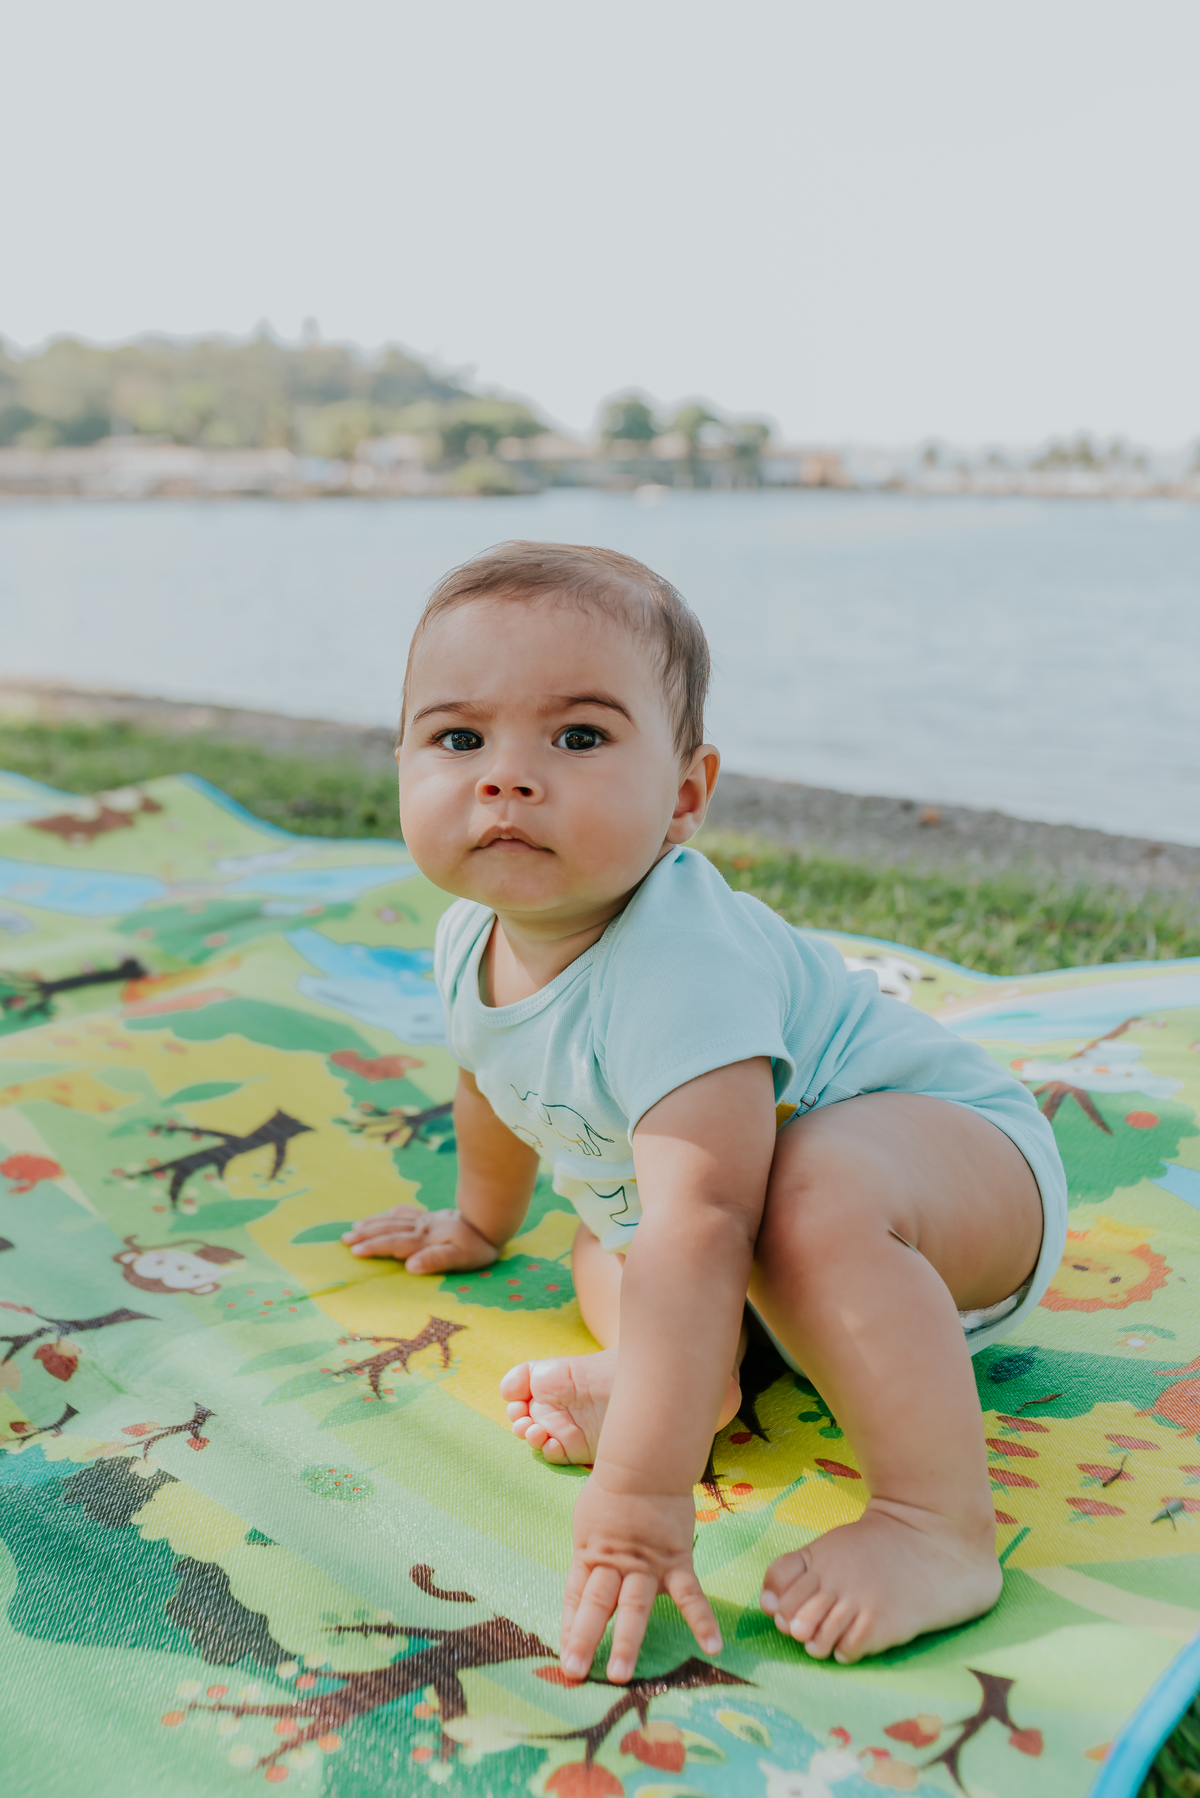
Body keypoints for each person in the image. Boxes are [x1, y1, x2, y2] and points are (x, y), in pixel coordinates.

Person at [342, 541, 1067, 1684]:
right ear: (403, 764)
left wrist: (639, 1497)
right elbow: (493, 1075)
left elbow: (707, 1221)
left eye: (578, 737)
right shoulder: (468, 936)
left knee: (779, 1197)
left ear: (685, 795)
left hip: (956, 1172)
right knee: (610, 1230)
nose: (507, 776)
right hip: (747, 1225)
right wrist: (480, 1222)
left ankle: (938, 1526)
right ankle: (695, 1372)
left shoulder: (680, 958)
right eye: (458, 738)